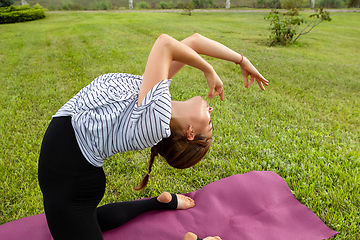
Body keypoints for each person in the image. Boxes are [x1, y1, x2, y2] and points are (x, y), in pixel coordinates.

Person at [37, 33, 268, 240]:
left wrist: (207, 69)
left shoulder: (156, 119)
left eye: (208, 122)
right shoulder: (156, 95)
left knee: (78, 219)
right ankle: (158, 203)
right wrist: (242, 60)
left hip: (69, 179)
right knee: (87, 219)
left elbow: (165, 43)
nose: (211, 111)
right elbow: (194, 42)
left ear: (189, 132)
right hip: (72, 175)